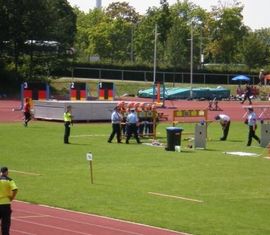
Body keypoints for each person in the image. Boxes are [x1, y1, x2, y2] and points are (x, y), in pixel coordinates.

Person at [0, 167, 18, 235]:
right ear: (6, 172)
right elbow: (15, 189)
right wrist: (12, 198)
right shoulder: (9, 180)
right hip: (6, 204)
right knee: (5, 225)